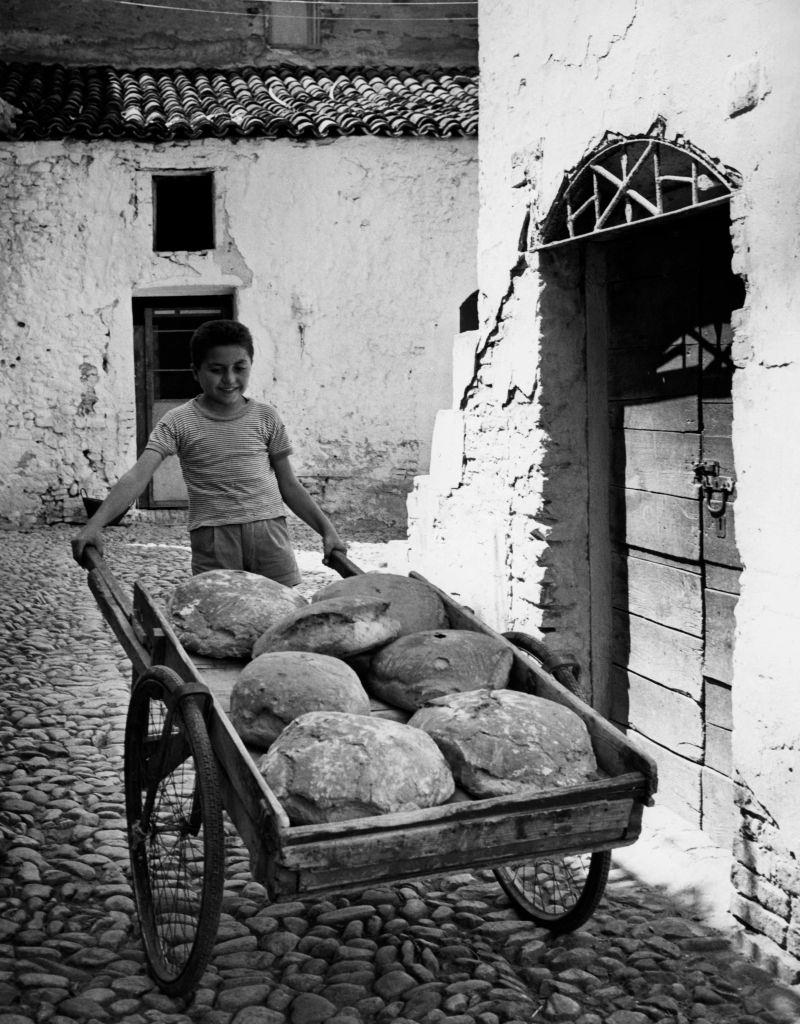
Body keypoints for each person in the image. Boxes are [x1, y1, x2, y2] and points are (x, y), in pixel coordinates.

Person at [71, 319, 346, 585]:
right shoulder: (178, 421)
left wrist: (327, 531)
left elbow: (288, 483)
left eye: (240, 368)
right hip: (214, 540)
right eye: (216, 369)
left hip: (270, 534)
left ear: (251, 365)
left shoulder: (266, 417)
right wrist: (95, 524)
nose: (229, 379)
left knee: (281, 612)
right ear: (195, 371)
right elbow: (137, 477)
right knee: (218, 616)